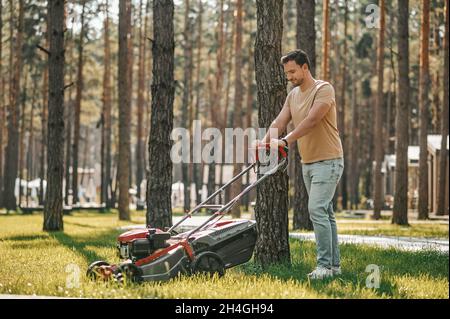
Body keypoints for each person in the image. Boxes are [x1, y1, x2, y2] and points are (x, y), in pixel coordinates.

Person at [258, 49, 344, 280]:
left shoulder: (323, 89)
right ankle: (334, 266)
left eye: (293, 71)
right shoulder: (292, 95)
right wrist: (264, 144)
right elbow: (280, 121)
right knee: (326, 212)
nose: (290, 77)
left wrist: (285, 141)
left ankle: (324, 267)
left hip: (329, 160)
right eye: (287, 73)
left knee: (316, 209)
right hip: (308, 163)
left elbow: (312, 120)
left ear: (305, 67)